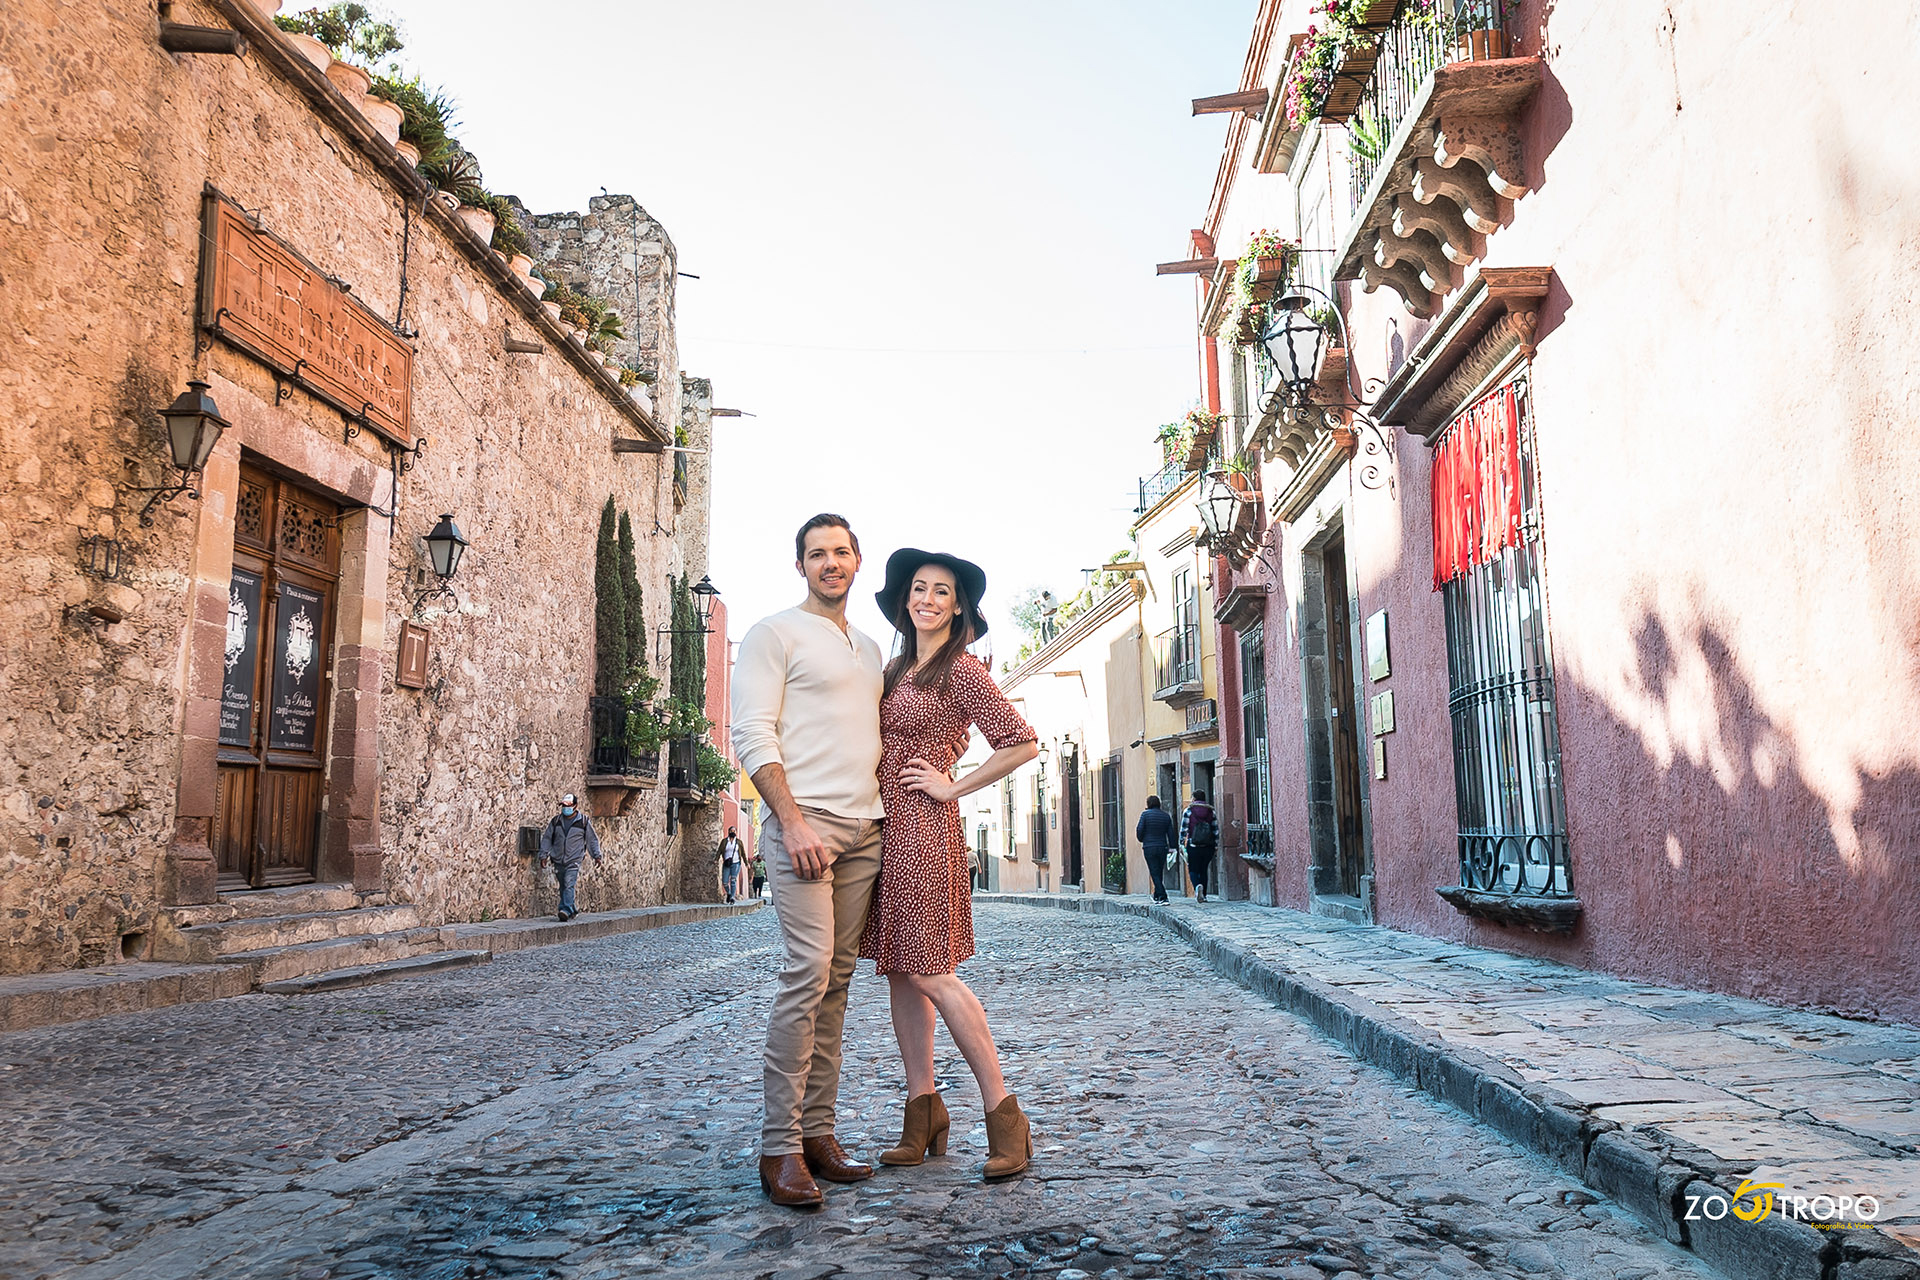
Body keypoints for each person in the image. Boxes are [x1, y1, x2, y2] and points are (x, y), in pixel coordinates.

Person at [861, 548, 1039, 1181]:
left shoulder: (961, 670)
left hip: (924, 832)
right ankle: (923, 1112)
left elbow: (1022, 742)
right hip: (883, 831)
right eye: (918, 588)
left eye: (941, 591)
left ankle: (1004, 1115)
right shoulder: (894, 669)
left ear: (959, 606)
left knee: (932, 972)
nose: (927, 599)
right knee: (900, 973)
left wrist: (952, 785)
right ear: (904, 599)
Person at [731, 514, 888, 1210]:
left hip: (865, 830)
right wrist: (790, 821)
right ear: (800, 565)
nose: (831, 562)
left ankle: (819, 1134)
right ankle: (779, 1148)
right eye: (817, 553)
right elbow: (751, 732)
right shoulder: (774, 633)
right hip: (806, 825)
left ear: (857, 561)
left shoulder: (871, 648)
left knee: (837, 983)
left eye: (841, 552)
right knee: (807, 974)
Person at [538, 793, 601, 922]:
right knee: (563, 885)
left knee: (568, 883)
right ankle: (572, 909)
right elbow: (547, 838)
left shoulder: (583, 821)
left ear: (575, 806)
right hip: (558, 859)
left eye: (568, 806)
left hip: (574, 860)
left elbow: (592, 840)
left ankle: (565, 910)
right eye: (563, 806)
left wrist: (596, 855)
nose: (565, 808)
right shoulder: (556, 821)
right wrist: (543, 855)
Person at [1182, 789, 1218, 904]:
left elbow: (1184, 829)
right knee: (1203, 870)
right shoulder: (1211, 812)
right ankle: (1204, 895)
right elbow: (1215, 830)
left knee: (1193, 869)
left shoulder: (1188, 811)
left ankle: (1197, 886)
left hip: (1193, 845)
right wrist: (1216, 845)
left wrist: (1181, 843)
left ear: (1194, 798)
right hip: (1208, 846)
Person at [1136, 795, 1174, 903]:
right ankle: (1157, 895)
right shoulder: (1166, 816)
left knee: (1154, 871)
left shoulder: (1145, 815)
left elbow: (1139, 830)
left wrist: (1141, 839)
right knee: (1159, 871)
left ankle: (1163, 896)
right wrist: (1173, 847)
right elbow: (1171, 833)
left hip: (1149, 847)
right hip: (1162, 847)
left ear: (1148, 804)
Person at [718, 827, 746, 903]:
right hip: (727, 863)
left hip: (736, 863)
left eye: (734, 831)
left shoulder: (738, 842)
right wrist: (716, 859)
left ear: (736, 832)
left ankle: (732, 897)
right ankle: (729, 893)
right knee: (725, 882)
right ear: (729, 831)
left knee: (733, 880)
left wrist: (746, 863)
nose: (732, 832)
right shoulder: (724, 841)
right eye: (731, 831)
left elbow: (743, 853)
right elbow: (719, 851)